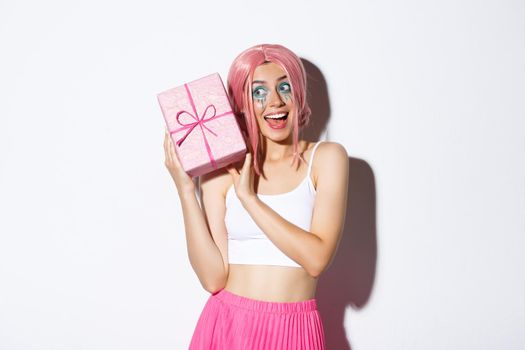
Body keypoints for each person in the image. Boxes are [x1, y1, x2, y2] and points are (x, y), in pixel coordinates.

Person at [163, 43, 349, 349]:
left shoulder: (326, 158)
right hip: (227, 325)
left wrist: (249, 199)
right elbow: (213, 279)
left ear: (299, 94)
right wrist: (185, 190)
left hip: (294, 330)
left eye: (284, 87)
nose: (274, 102)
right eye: (258, 92)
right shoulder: (221, 172)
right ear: (240, 104)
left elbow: (316, 260)